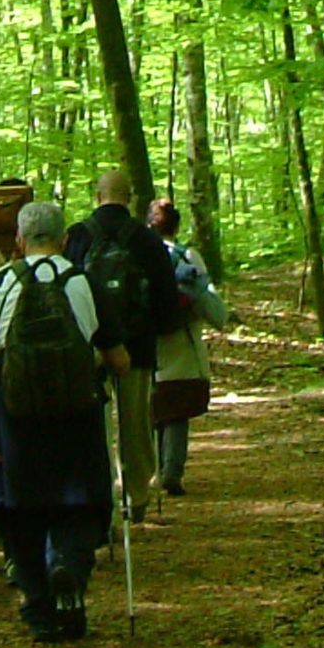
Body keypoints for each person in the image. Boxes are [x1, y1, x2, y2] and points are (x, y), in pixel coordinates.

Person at [0, 200, 133, 643]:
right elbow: (118, 359)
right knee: (80, 500)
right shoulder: (83, 281)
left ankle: (38, 606)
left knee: (19, 507)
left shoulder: (0, 284)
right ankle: (70, 570)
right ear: (63, 240)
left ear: (19, 242)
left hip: (15, 413)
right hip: (76, 412)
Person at [63, 170, 181, 523]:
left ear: (96, 196)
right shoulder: (147, 240)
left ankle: (99, 496)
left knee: (94, 424)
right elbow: (166, 298)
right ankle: (137, 494)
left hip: (90, 346)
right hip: (138, 346)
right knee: (135, 422)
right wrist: (157, 333)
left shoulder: (77, 237)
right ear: (129, 197)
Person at [147, 198, 229, 498]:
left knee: (153, 409)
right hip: (181, 341)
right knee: (177, 413)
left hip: (147, 344)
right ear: (176, 226)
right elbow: (208, 298)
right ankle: (172, 470)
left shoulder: (140, 256)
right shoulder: (187, 255)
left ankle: (154, 470)